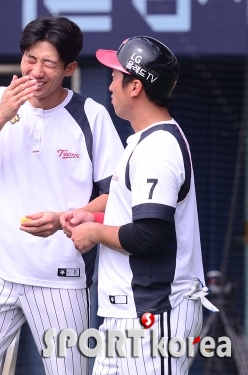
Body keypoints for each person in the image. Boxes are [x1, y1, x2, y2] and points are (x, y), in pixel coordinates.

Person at [0, 15, 123, 374]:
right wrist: (0, 117)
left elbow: (117, 195)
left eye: (49, 63)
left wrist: (62, 220)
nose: (36, 71)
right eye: (30, 58)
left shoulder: (92, 115)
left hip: (61, 278)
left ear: (70, 67)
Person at [61, 36, 214, 374]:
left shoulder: (158, 147)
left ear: (135, 86)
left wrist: (95, 232)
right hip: (128, 316)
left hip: (154, 314)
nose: (111, 83)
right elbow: (133, 215)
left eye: (117, 75)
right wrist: (92, 215)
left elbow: (148, 235)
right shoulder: (143, 140)